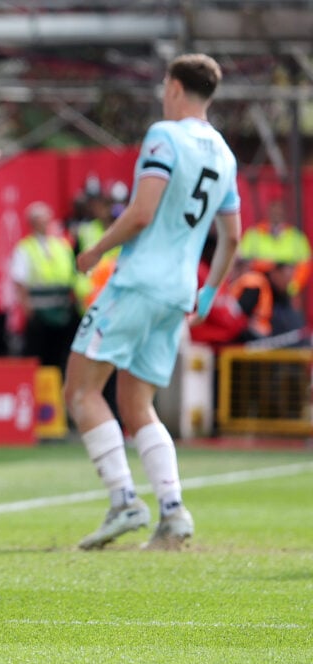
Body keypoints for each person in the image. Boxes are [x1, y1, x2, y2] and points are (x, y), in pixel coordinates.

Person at [64, 53, 241, 551]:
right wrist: (208, 292)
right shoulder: (225, 155)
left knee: (80, 392)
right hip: (179, 293)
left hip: (139, 282)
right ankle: (173, 511)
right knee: (136, 402)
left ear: (177, 89)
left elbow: (142, 213)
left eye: (166, 84)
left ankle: (124, 500)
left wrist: (96, 250)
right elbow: (233, 236)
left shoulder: (166, 134)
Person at [9, 201, 80, 373]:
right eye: (40, 220)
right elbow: (20, 281)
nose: (45, 224)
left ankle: (57, 395)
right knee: (38, 358)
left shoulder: (61, 245)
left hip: (62, 312)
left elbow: (72, 277)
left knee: (60, 358)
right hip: (39, 314)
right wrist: (27, 307)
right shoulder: (26, 248)